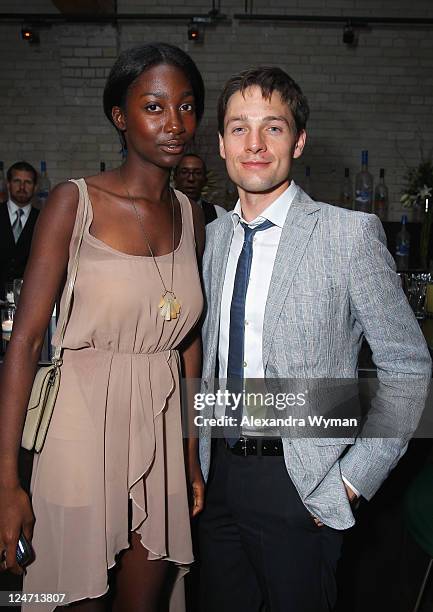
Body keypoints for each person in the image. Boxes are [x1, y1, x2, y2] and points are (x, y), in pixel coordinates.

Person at [198, 66, 431, 612]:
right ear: (221, 143)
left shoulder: (348, 235)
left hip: (302, 484)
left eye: (273, 128)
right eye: (239, 128)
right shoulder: (206, 240)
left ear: (299, 141)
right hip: (215, 484)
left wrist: (350, 482)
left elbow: (407, 368)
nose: (254, 144)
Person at [0, 43, 206, 612]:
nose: (175, 123)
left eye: (187, 107)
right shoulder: (74, 201)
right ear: (120, 115)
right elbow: (26, 341)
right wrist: (5, 483)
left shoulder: (191, 216)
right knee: (73, 600)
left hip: (162, 435)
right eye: (155, 106)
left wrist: (190, 456)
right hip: (81, 427)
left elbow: (189, 344)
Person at [0, 161, 39, 300]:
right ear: (8, 184)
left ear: (35, 187)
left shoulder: (43, 220)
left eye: (27, 182)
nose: (22, 187)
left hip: (29, 302)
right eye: (17, 181)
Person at [174, 154, 226, 224]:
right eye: (184, 172)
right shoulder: (163, 210)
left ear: (205, 180)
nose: (191, 179)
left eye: (197, 173)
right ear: (175, 177)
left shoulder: (218, 213)